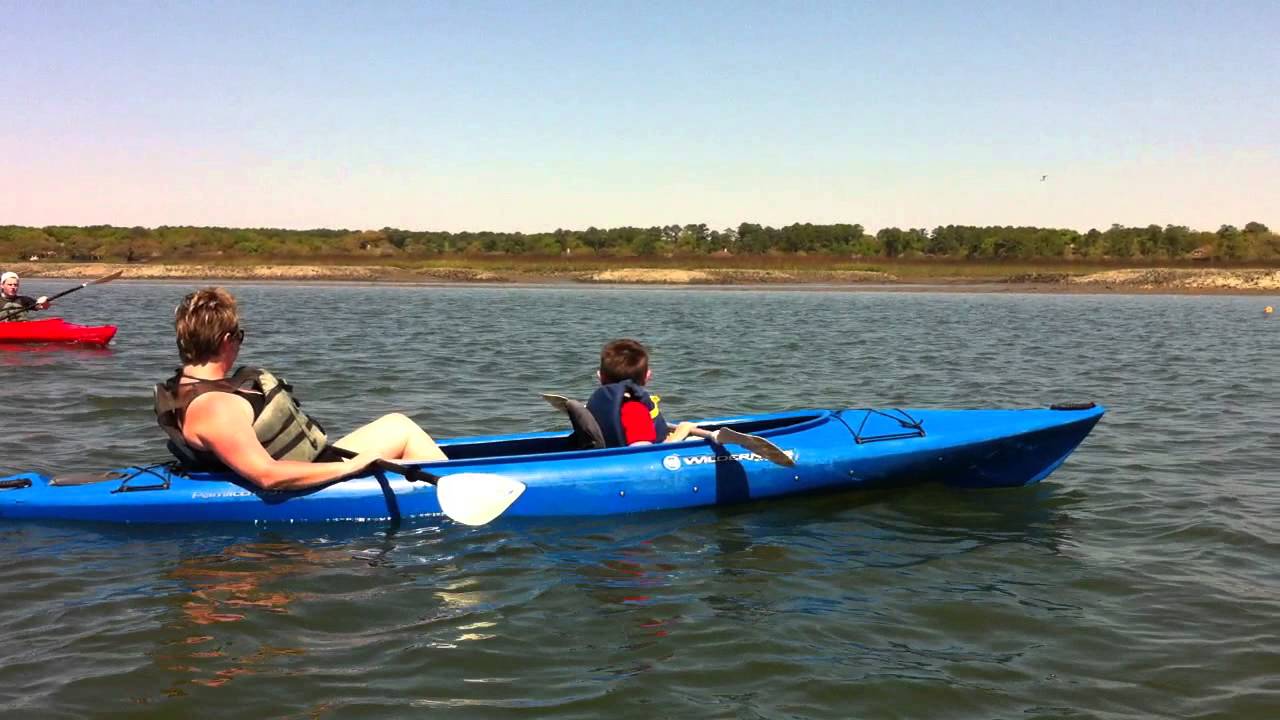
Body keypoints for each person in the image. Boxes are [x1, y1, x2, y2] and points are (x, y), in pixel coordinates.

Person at [154, 287, 449, 491]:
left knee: (396, 424)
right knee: (403, 430)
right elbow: (267, 475)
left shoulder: (188, 385)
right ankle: (451, 491)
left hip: (314, 461)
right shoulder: (215, 407)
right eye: (240, 337)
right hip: (311, 482)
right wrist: (353, 466)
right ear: (227, 340)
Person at [585, 338, 696, 447]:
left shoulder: (600, 403)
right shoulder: (634, 410)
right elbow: (641, 452)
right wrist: (678, 435)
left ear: (599, 376)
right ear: (647, 376)